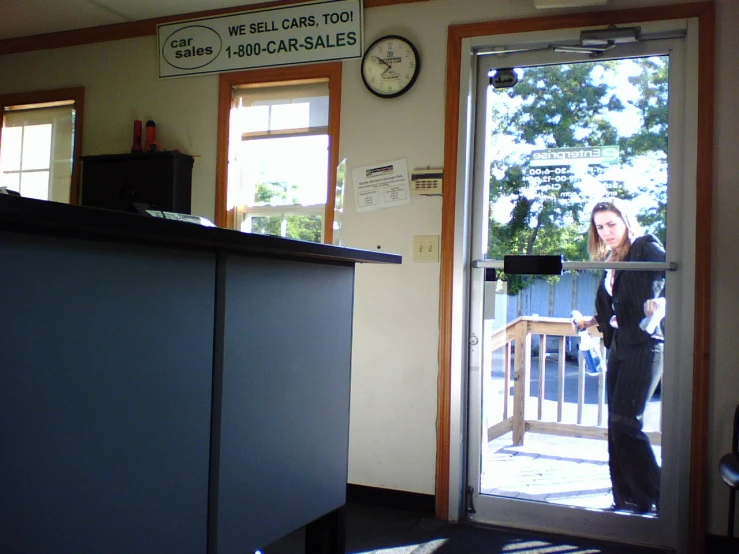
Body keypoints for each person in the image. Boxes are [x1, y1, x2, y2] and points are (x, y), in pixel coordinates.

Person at [575, 198, 665, 514]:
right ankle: (627, 497)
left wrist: (662, 301)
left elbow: (671, 278)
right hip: (618, 347)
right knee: (616, 426)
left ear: (626, 220)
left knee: (628, 422)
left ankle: (660, 496)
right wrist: (591, 321)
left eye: (612, 224)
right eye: (600, 227)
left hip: (645, 345)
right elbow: (616, 305)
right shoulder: (612, 260)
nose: (607, 232)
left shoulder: (645, 247)